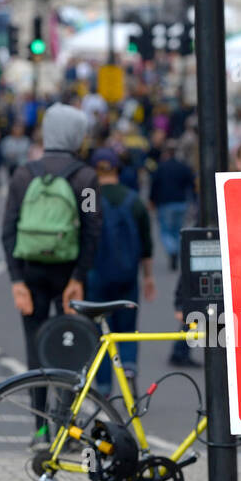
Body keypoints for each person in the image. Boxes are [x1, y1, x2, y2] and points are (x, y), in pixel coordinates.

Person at [1, 104, 102, 382]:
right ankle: (65, 416)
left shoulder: (23, 175)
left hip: (31, 272)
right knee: (71, 349)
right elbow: (93, 229)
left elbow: (8, 229)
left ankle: (41, 424)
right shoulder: (86, 178)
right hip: (69, 272)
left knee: (34, 351)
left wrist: (17, 280)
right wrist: (79, 276)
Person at [88, 147, 156, 392]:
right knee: (128, 329)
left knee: (101, 335)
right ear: (118, 168)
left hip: (96, 276)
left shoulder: (89, 196)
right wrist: (148, 277)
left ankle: (104, 387)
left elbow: (82, 235)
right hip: (127, 275)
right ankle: (128, 369)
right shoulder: (133, 198)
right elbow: (146, 244)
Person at [148, 139, 196, 271]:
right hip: (181, 202)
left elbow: (154, 185)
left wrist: (151, 200)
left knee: (165, 231)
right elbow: (192, 184)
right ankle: (176, 250)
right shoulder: (183, 166)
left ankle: (172, 250)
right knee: (177, 230)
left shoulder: (161, 167)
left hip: (165, 203)